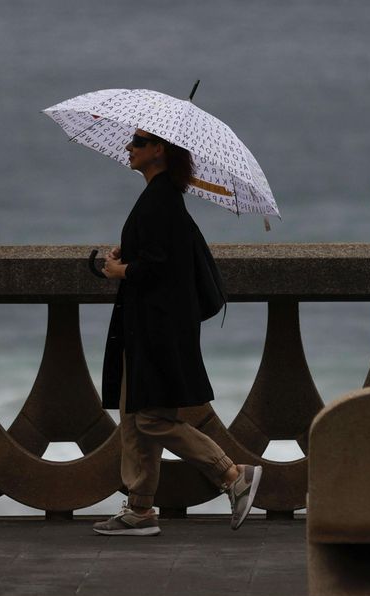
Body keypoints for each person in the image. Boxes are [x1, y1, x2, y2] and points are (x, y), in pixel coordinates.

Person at [92, 129, 261, 536]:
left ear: (158, 150)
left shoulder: (161, 201)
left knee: (151, 419)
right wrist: (122, 256)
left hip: (158, 329)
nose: (128, 148)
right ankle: (140, 509)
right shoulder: (161, 197)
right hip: (147, 326)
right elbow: (159, 256)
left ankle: (232, 474)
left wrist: (121, 270)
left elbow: (157, 269)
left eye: (137, 142)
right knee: (135, 417)